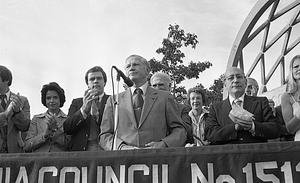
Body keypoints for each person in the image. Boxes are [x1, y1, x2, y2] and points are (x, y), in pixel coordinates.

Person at [99, 54, 187, 150]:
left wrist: (163, 144)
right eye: (128, 66)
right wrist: (121, 147)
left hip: (157, 159)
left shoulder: (164, 97)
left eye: (136, 65)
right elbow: (104, 135)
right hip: (124, 159)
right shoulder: (114, 100)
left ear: (147, 71)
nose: (131, 68)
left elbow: (180, 131)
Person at [205, 66, 279, 145]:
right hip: (228, 156)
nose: (235, 81)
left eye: (239, 77)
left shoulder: (261, 102)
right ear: (225, 84)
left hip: (255, 154)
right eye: (231, 78)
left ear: (245, 82)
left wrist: (252, 126)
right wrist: (234, 128)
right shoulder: (215, 108)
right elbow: (210, 134)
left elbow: (275, 129)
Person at [63, 66, 110, 151]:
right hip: (81, 150)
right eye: (92, 79)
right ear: (87, 84)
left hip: (106, 149)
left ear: (104, 82)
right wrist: (83, 110)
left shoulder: (113, 100)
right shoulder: (77, 102)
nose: (95, 81)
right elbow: (67, 128)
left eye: (99, 78)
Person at [24, 82, 70, 152]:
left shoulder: (68, 120)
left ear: (60, 99)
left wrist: (55, 130)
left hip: (59, 161)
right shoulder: (36, 119)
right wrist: (44, 135)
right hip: (39, 161)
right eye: (48, 98)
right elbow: (27, 145)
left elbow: (69, 145)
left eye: (55, 97)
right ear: (44, 100)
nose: (52, 101)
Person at [150, 72, 193, 144]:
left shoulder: (182, 109)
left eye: (161, 85)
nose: (157, 88)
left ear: (169, 86)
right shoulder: (146, 109)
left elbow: (186, 131)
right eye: (154, 86)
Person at [0, 65, 30, 153]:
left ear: (6, 80)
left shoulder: (22, 100)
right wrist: (5, 114)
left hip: (15, 153)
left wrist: (18, 111)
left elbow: (25, 127)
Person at [281, 55, 300, 141]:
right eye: (296, 66)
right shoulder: (286, 96)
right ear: (291, 71)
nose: (299, 69)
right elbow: (290, 129)